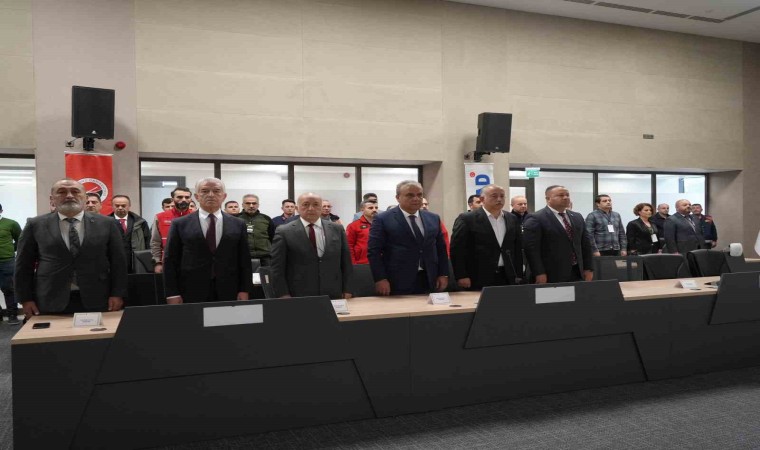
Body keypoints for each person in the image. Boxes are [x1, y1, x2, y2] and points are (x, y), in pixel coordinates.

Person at [15, 178, 127, 316]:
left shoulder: (108, 224)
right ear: (52, 199)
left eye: (75, 191)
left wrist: (118, 293)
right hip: (50, 297)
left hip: (98, 296)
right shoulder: (35, 225)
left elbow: (118, 263)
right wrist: (25, 299)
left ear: (85, 197)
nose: (69, 196)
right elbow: (23, 265)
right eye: (62, 192)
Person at [163, 178, 252, 304]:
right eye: (205, 191)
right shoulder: (180, 224)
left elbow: (244, 260)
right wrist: (172, 293)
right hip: (191, 289)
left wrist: (244, 289)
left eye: (216, 191)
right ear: (196, 196)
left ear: (224, 196)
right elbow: (170, 260)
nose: (211, 195)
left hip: (229, 289)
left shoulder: (238, 224)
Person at [367, 181, 449, 295]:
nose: (416, 199)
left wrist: (443, 274)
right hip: (397, 279)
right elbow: (374, 252)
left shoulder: (433, 218)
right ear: (397, 198)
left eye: (419, 195)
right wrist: (380, 278)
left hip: (429, 278)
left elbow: (441, 249)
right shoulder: (383, 219)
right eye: (410, 195)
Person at [270, 192, 353, 299]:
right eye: (305, 204)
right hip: (298, 292)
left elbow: (346, 262)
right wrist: (282, 293)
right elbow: (277, 267)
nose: (311, 208)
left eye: (316, 204)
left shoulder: (337, 228)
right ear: (297, 208)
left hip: (333, 290)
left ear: (321, 207)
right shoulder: (284, 231)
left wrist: (348, 288)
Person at [450, 185, 521, 290]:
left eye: (502, 196)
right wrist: (461, 275)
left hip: (507, 274)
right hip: (478, 275)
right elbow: (457, 249)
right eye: (494, 196)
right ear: (482, 199)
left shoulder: (512, 218)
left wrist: (519, 273)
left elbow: (517, 248)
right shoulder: (467, 219)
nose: (499, 199)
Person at [523, 185, 594, 284]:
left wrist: (588, 268)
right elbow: (531, 250)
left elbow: (585, 244)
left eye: (567, 195)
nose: (565, 197)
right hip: (551, 273)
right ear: (548, 199)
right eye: (561, 195)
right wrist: (539, 272)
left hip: (577, 271)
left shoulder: (577, 217)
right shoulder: (536, 218)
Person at [150, 187, 193, 273]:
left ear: (190, 199)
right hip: (168, 262)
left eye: (187, 197)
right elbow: (155, 242)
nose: (184, 200)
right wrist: (158, 262)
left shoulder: (197, 216)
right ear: (173, 199)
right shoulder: (160, 217)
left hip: (192, 262)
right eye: (179, 197)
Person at [109, 194, 151, 273]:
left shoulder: (141, 222)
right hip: (113, 263)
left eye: (123, 205)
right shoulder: (105, 223)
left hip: (136, 261)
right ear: (112, 206)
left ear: (129, 206)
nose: (120, 208)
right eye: (117, 205)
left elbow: (148, 242)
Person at [0, 204, 22, 324]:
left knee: (8, 288)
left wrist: (10, 250)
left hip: (7, 261)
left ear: (1, 211)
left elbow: (20, 240)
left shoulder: (11, 224)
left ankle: (12, 315)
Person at [238, 194, 275, 265]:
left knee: (267, 272)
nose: (251, 206)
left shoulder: (266, 219)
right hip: (243, 256)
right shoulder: (236, 219)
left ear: (258, 205)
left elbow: (272, 237)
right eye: (248, 203)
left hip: (265, 257)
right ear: (242, 205)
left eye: (254, 203)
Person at [346, 200, 378, 264]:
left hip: (379, 261)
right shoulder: (353, 226)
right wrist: (353, 263)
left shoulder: (381, 224)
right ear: (362, 210)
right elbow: (349, 246)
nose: (374, 210)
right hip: (361, 262)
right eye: (370, 208)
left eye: (376, 208)